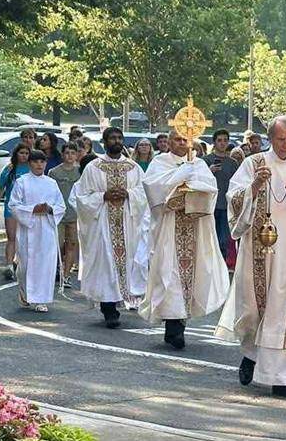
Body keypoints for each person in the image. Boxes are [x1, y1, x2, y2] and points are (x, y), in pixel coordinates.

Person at [215, 115, 286, 399]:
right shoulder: (253, 164)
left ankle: (284, 379)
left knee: (285, 312)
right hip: (257, 250)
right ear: (269, 138)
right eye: (280, 140)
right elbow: (233, 198)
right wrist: (253, 187)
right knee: (253, 309)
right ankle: (250, 354)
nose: (285, 146)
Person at [140, 131, 230, 349]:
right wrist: (180, 175)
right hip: (169, 226)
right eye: (177, 140)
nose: (182, 143)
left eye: (185, 140)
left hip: (194, 226)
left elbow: (211, 190)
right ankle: (173, 326)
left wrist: (194, 181)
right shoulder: (160, 162)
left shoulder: (198, 164)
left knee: (191, 276)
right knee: (169, 274)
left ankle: (178, 325)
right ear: (169, 142)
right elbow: (153, 188)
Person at [75, 127, 149, 328]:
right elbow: (82, 197)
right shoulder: (93, 167)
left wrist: (128, 194)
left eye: (119, 138)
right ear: (104, 141)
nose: (116, 141)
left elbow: (144, 193)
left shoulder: (133, 168)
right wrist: (103, 196)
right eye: (112, 138)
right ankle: (108, 308)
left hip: (127, 225)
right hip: (102, 225)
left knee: (125, 263)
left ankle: (121, 299)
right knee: (106, 264)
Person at [8, 150, 66, 313]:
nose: (39, 165)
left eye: (42, 162)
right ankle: (25, 291)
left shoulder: (51, 183)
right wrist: (32, 209)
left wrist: (50, 209)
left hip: (47, 228)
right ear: (30, 163)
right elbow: (13, 205)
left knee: (45, 264)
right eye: (35, 162)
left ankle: (41, 300)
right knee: (26, 264)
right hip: (28, 228)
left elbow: (61, 206)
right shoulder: (22, 182)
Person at [0, 144, 31, 280]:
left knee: (26, 238)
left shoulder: (31, 169)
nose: (24, 156)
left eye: (26, 153)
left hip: (27, 209)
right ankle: (9, 265)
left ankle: (21, 263)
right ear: (16, 154)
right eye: (21, 153)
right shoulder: (9, 169)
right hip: (11, 208)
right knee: (11, 237)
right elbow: (1, 188)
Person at [49, 142, 82, 287]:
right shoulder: (54, 172)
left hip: (74, 215)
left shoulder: (80, 172)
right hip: (58, 215)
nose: (70, 156)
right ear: (62, 154)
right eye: (67, 153)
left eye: (73, 153)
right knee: (58, 244)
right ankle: (57, 268)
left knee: (71, 244)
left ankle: (66, 275)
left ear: (77, 155)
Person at [204, 129, 239, 262]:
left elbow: (237, 183)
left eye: (225, 140)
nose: (222, 143)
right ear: (214, 142)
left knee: (224, 240)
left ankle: (222, 266)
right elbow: (198, 180)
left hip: (226, 205)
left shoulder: (232, 163)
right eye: (219, 140)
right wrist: (209, 171)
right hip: (209, 205)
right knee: (209, 238)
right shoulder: (206, 160)